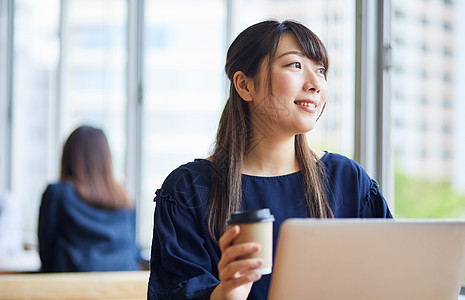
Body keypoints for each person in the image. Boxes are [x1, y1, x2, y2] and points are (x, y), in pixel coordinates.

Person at [148, 19, 392, 300]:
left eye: (321, 70)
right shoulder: (188, 189)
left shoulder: (348, 180)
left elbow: (390, 277)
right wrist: (226, 293)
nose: (316, 84)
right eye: (295, 65)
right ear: (244, 85)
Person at [38, 125, 142, 272]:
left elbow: (46, 252)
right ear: (106, 159)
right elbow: (134, 252)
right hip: (124, 285)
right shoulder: (125, 199)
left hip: (71, 288)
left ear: (68, 157)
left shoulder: (57, 193)